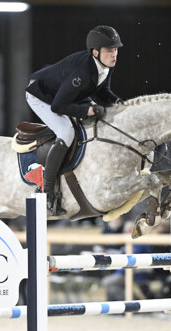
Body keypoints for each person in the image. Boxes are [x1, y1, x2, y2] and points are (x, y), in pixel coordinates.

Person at [25, 25, 124, 216]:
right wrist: (87, 110)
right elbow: (58, 106)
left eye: (116, 50)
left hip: (65, 92)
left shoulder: (105, 64)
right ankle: (47, 189)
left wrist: (119, 102)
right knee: (67, 132)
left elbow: (103, 91)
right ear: (95, 52)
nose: (114, 55)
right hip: (41, 95)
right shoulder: (81, 73)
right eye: (110, 51)